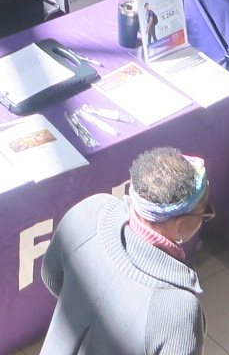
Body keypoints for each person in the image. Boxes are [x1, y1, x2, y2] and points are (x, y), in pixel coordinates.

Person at [41, 147, 209, 355]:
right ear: (181, 225)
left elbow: (51, 276)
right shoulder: (179, 310)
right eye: (204, 213)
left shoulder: (89, 211)